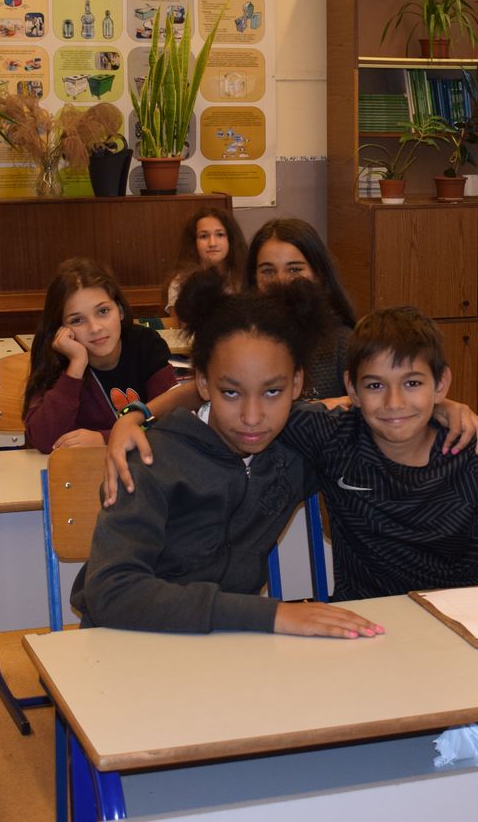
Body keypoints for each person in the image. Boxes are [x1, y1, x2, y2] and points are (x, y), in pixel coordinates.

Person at [104, 292, 478, 608]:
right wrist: (137, 414)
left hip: (468, 608)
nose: (396, 403)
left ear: (441, 385)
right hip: (372, 616)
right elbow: (235, 388)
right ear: (351, 390)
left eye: (414, 385)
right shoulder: (329, 435)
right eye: (376, 386)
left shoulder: (469, 446)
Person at [70, 275, 384, 638]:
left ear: (297, 383)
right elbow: (111, 592)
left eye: (272, 392)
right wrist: (270, 614)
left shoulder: (297, 445)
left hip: (228, 646)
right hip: (128, 646)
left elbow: (389, 422)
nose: (252, 417)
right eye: (231, 393)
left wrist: (438, 411)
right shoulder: (150, 459)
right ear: (203, 383)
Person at [23, 258, 178, 451]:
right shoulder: (56, 360)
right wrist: (75, 366)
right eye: (77, 320)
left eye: (103, 311)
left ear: (120, 311)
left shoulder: (145, 344)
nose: (95, 328)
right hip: (79, 468)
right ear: (61, 329)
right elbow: (44, 440)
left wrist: (105, 439)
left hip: (144, 464)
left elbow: (171, 424)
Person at [244, 218, 357, 399]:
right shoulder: (240, 340)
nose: (281, 280)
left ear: (318, 274)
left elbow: (368, 402)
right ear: (254, 279)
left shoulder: (342, 343)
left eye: (294, 270)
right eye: (268, 271)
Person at [164, 206, 247, 325]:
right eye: (204, 236)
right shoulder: (180, 282)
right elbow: (179, 330)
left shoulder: (245, 277)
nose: (212, 243)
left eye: (220, 235)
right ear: (194, 242)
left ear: (231, 239)